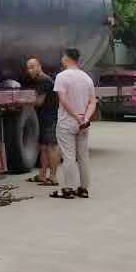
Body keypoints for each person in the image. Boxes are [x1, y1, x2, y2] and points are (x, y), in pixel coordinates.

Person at [52, 48, 96, 200]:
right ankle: (83, 188)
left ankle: (68, 189)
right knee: (83, 156)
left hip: (67, 122)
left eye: (62, 57)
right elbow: (92, 101)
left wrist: (76, 117)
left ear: (66, 58)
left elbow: (63, 100)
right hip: (84, 123)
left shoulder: (62, 77)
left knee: (68, 156)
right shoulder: (87, 78)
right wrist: (85, 118)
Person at [24, 56, 59, 186]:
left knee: (51, 147)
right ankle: (42, 175)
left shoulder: (45, 81)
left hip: (50, 118)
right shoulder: (39, 81)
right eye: (28, 68)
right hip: (43, 118)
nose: (30, 70)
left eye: (33, 67)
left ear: (39, 66)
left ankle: (53, 177)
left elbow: (39, 102)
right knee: (43, 147)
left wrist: (24, 102)